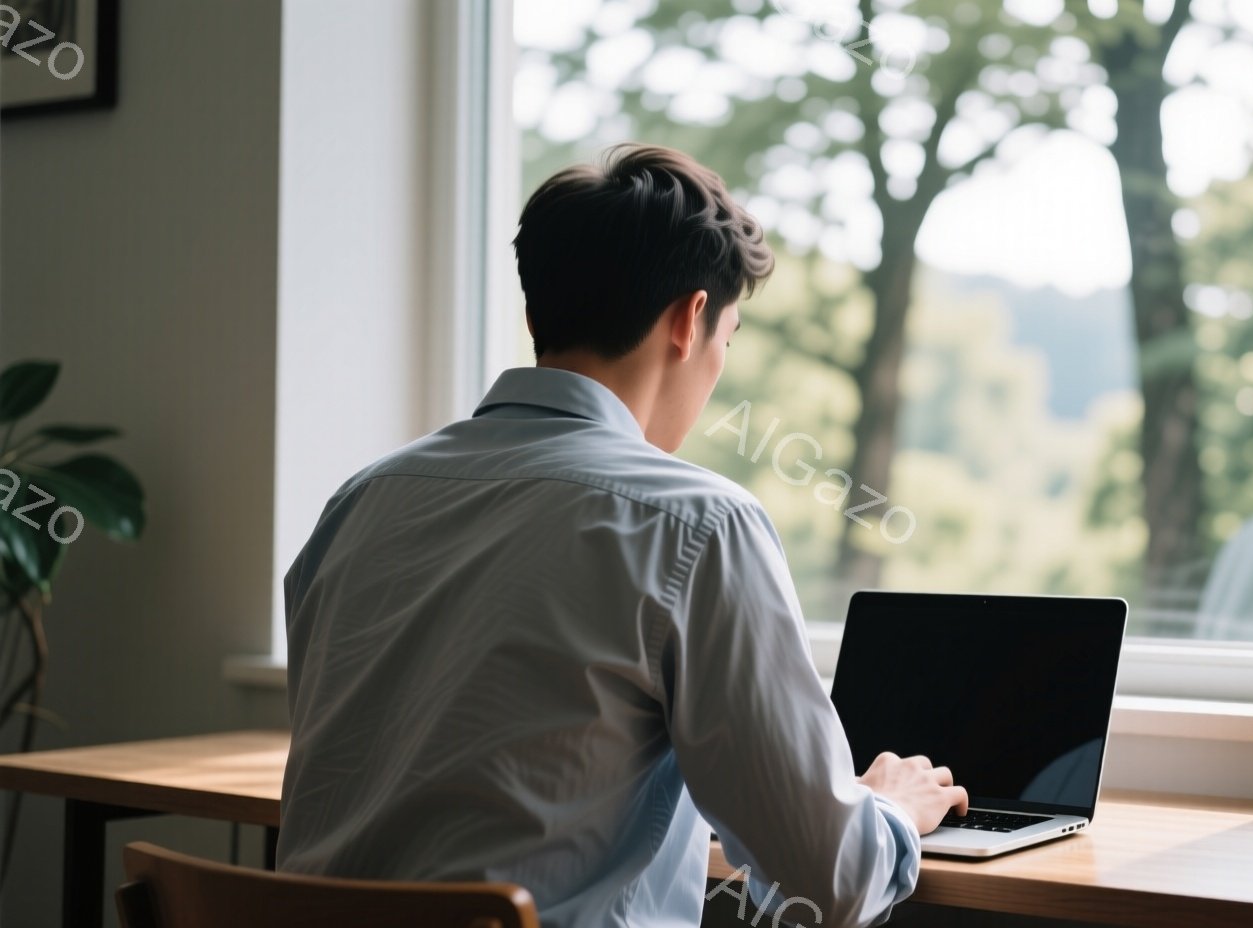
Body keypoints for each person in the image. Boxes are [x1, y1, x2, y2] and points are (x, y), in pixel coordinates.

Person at [276, 143, 968, 928]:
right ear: (689, 320)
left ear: (535, 315)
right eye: (728, 340)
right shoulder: (700, 523)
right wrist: (890, 814)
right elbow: (832, 883)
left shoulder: (360, 500)